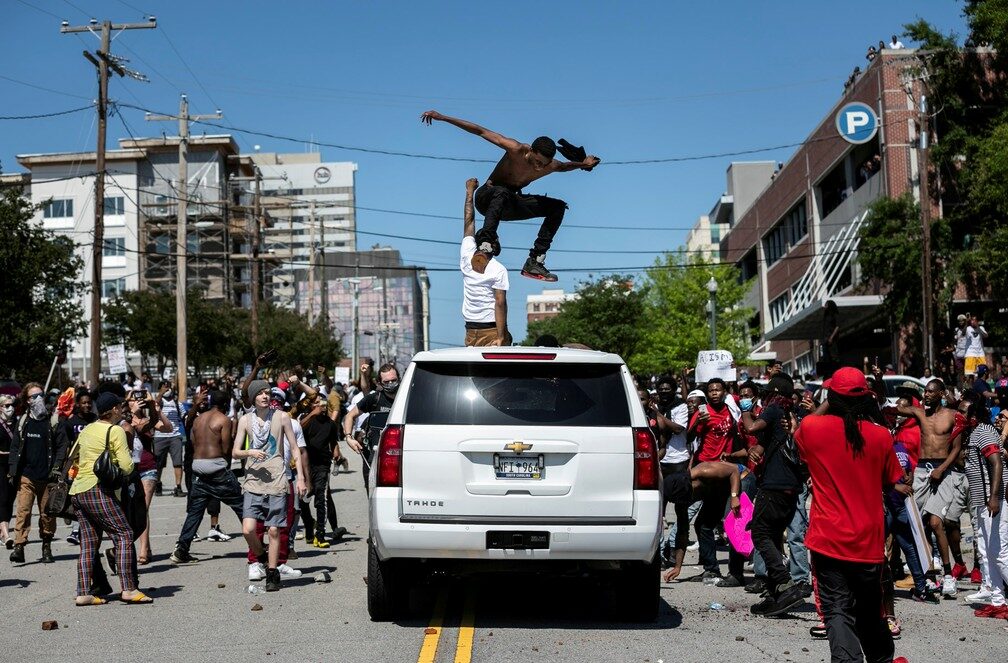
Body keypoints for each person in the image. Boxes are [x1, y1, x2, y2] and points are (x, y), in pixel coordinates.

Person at [794, 367, 907, 663]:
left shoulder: (812, 428)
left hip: (829, 538)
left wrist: (830, 399)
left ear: (831, 397)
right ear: (866, 399)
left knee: (837, 610)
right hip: (868, 540)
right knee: (870, 611)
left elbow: (807, 424)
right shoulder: (882, 436)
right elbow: (892, 479)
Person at [421, 110, 600, 281]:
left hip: (510, 203)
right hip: (486, 198)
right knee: (502, 191)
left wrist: (584, 164)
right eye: (537, 161)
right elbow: (480, 131)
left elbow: (565, 166)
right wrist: (442, 117)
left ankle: (535, 261)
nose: (539, 167)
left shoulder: (551, 166)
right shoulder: (515, 149)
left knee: (558, 207)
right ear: (530, 151)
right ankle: (485, 245)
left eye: (544, 165)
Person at [69, 392, 152, 605]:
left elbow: (74, 456)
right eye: (120, 406)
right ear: (114, 409)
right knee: (124, 534)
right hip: (98, 489)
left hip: (78, 490)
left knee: (88, 543)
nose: (122, 409)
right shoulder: (114, 430)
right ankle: (129, 589)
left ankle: (83, 593)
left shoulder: (87, 429)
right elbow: (127, 466)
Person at [741, 375, 808, 615]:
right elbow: (764, 443)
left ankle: (785, 583)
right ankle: (773, 594)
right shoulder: (789, 414)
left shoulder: (773, 409)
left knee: (760, 533)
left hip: (775, 486)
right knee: (772, 536)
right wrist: (757, 450)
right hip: (790, 487)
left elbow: (751, 428)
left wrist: (745, 409)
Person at [232, 380, 307, 591]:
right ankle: (262, 556)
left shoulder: (282, 417)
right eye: (261, 393)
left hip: (277, 480)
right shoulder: (245, 420)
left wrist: (300, 477)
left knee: (274, 530)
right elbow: (235, 452)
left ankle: (272, 573)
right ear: (253, 397)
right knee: (248, 529)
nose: (265, 396)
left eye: (267, 393)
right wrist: (250, 452)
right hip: (253, 481)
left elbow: (294, 449)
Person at [897, 378, 967, 597]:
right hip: (921, 470)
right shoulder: (920, 413)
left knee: (937, 522)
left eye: (930, 392)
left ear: (941, 394)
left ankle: (948, 575)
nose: (926, 395)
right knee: (918, 522)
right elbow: (897, 408)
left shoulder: (953, 416)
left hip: (943, 470)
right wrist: (880, 382)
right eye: (925, 392)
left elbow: (956, 448)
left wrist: (942, 468)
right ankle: (929, 574)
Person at [171, 389, 245, 565]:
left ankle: (182, 549)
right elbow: (226, 448)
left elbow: (194, 442)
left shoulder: (198, 419)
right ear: (225, 404)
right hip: (216, 469)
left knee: (195, 512)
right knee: (242, 506)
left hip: (198, 467)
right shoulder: (224, 420)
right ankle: (259, 544)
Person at [687, 378, 740, 583]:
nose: (714, 393)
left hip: (727, 472)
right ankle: (712, 568)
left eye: (718, 389)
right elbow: (689, 438)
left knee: (724, 521)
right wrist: (698, 423)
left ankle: (727, 570)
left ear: (724, 391)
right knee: (703, 522)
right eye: (711, 390)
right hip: (706, 470)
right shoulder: (703, 412)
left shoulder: (732, 410)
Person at [959, 393, 1008, 617]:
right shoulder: (973, 433)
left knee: (1000, 553)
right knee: (988, 552)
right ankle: (998, 601)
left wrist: (994, 497)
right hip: (982, 503)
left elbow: (996, 463)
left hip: (992, 502)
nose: (959, 415)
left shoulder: (985, 431)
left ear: (974, 415)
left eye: (963, 411)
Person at [661, 461, 742, 584]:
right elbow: (682, 533)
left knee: (732, 524)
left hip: (740, 479)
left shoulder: (704, 471)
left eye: (691, 493)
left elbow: (734, 471)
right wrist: (678, 567)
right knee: (702, 526)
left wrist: (735, 496)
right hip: (718, 491)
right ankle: (711, 570)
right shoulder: (681, 499)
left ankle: (736, 575)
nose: (691, 498)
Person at [8, 383, 57, 564]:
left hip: (47, 476)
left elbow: (61, 446)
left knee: (47, 514)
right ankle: (19, 547)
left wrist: (57, 468)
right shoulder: (23, 422)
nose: (38, 399)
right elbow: (15, 447)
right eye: (34, 396)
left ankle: (46, 545)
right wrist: (13, 470)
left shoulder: (52, 421)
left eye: (40, 395)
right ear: (27, 400)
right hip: (27, 475)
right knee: (23, 511)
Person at [460, 177, 511, 346]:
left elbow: (469, 221)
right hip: (491, 330)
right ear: (494, 245)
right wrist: (501, 336)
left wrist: (470, 192)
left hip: (470, 330)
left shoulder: (467, 255)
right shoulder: (498, 269)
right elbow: (500, 303)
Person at [343, 364, 401, 494]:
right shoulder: (374, 398)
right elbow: (350, 416)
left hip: (401, 457)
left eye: (394, 380)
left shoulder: (408, 398)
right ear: (380, 383)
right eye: (387, 381)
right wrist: (348, 437)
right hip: (374, 458)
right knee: (375, 496)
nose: (391, 384)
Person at [299, 396, 346, 547]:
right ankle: (308, 528)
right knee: (303, 499)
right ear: (311, 406)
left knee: (322, 499)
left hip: (322, 466)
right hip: (305, 465)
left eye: (323, 403)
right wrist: (313, 413)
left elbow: (333, 441)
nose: (321, 406)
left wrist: (336, 452)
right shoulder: (307, 420)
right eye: (317, 403)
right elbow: (297, 429)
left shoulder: (330, 424)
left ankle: (320, 535)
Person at [153, 381, 186, 497]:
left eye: (168, 387)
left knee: (177, 462)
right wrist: (160, 394)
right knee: (158, 463)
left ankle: (178, 486)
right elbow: (154, 407)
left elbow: (184, 417)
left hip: (175, 436)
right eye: (164, 387)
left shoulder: (177, 403)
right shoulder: (158, 401)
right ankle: (157, 484)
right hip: (160, 436)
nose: (167, 389)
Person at [0, 395, 17, 549]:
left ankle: (2, 529)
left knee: (10, 499)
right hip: (0, 466)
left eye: (12, 405)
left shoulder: (17, 424)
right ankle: (6, 535)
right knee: (3, 499)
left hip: (13, 467)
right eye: (6, 405)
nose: (10, 408)